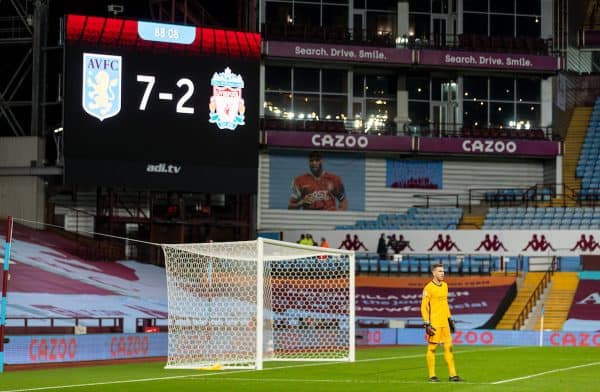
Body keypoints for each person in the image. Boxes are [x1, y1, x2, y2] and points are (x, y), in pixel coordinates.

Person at [420, 263, 462, 382]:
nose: (442, 273)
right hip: (434, 324)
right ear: (433, 273)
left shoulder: (445, 286)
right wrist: (427, 323)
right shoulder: (428, 288)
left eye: (443, 271)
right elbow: (424, 307)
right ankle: (432, 375)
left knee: (449, 348)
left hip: (445, 324)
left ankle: (453, 375)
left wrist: (450, 319)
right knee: (432, 349)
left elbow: (445, 304)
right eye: (439, 271)